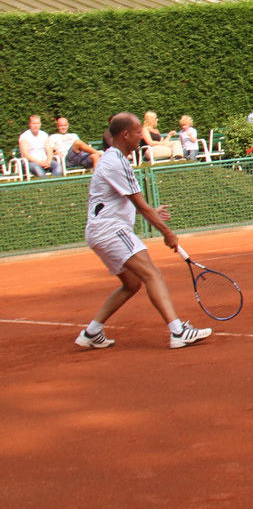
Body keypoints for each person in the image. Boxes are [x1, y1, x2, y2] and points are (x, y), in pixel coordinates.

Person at [73, 111, 212, 350]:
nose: (141, 136)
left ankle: (91, 332)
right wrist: (167, 232)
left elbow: (115, 203)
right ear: (125, 135)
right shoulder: (116, 162)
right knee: (152, 274)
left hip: (99, 231)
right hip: (111, 231)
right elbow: (140, 205)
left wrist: (151, 213)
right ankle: (178, 332)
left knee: (132, 283)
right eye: (138, 132)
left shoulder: (111, 159)